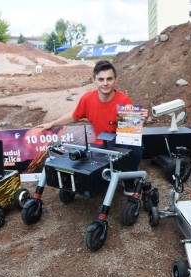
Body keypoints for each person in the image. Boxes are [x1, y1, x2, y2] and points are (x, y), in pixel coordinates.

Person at [35, 60, 148, 196]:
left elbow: (130, 133)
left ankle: (128, 179)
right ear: (94, 80)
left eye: (109, 79)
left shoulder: (124, 100)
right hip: (99, 144)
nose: (105, 83)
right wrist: (52, 124)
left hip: (118, 142)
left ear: (115, 80)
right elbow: (75, 115)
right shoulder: (88, 99)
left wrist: (140, 119)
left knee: (135, 145)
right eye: (101, 79)